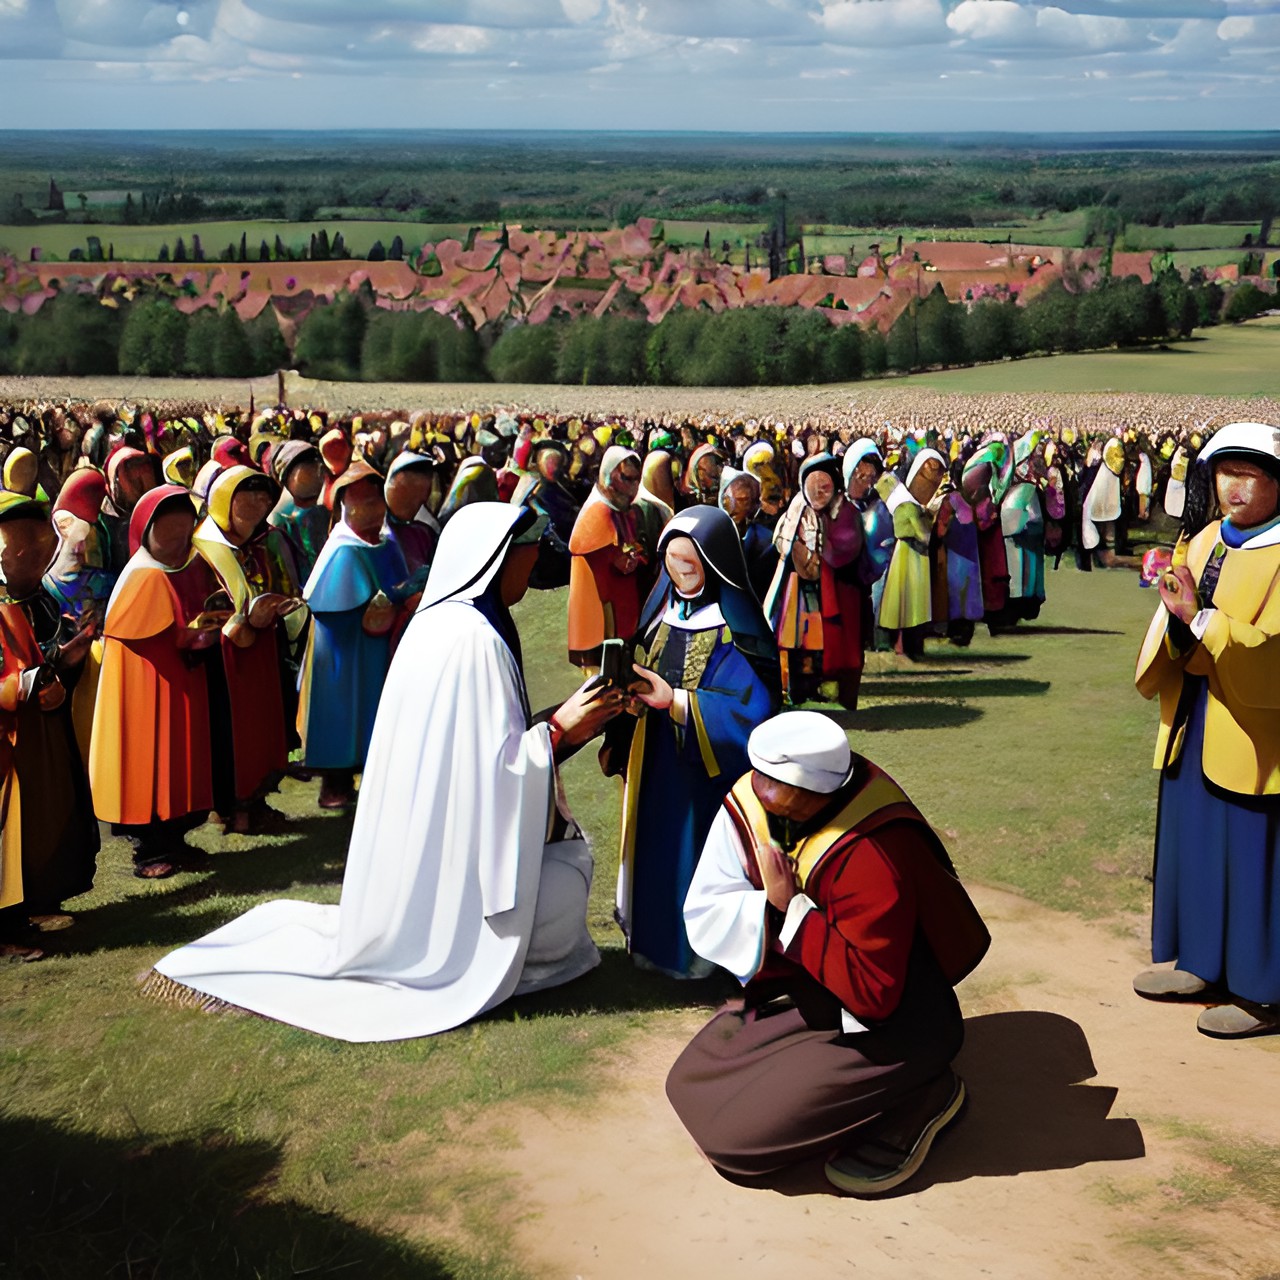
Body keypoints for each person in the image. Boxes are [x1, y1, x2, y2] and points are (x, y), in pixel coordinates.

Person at [150, 503, 622, 1041]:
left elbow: (476, 759)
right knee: (562, 892)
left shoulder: (443, 620)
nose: (536, 560)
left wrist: (568, 721)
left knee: (560, 887)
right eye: (529, 550)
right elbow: (496, 774)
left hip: (426, 853)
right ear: (501, 557)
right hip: (454, 879)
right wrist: (565, 728)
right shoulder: (472, 638)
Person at [667, 711, 989, 1194]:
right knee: (689, 1082)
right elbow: (711, 902)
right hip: (816, 991)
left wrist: (787, 907)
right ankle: (849, 1092)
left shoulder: (873, 851)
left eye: (772, 784)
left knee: (734, 1140)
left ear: (813, 792)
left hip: (895, 1025)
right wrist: (768, 909)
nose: (757, 791)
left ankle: (923, 1094)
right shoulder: (759, 798)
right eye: (758, 775)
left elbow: (873, 994)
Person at [1134, 421, 1280, 1039]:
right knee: (1194, 846)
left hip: (1253, 735)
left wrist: (1202, 619)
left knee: (1252, 860)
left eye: (1248, 473)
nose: (1232, 486)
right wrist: (1175, 613)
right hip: (1193, 720)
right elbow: (1176, 620)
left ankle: (1262, 992)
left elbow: (1272, 656)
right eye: (1223, 471)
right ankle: (1199, 963)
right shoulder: (1199, 541)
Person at [609, 506, 780, 977]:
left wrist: (679, 702)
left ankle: (698, 957)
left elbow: (753, 709)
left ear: (715, 563)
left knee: (696, 852)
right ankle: (653, 942)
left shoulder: (735, 626)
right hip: (655, 758)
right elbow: (648, 663)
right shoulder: (662, 614)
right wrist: (632, 699)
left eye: (691, 563)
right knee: (655, 850)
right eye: (673, 562)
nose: (680, 573)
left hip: (706, 773)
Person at [90, 485, 221, 878]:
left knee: (183, 762)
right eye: (169, 532)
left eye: (184, 533)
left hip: (183, 687)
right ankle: (151, 849)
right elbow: (144, 634)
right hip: (146, 694)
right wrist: (188, 636)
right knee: (149, 764)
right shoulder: (141, 577)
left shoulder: (192, 567)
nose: (178, 541)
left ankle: (175, 839)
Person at [0, 492, 99, 953]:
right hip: (9, 743)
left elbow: (40, 660)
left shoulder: (39, 599)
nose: (31, 552)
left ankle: (30, 903)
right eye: (21, 546)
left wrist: (64, 665)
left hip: (36, 738)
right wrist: (25, 687)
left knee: (38, 822)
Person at [298, 461, 415, 810]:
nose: (370, 513)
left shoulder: (385, 544)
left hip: (380, 647)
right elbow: (327, 602)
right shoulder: (342, 550)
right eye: (361, 505)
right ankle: (335, 783)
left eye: (375, 503)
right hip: (344, 652)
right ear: (344, 509)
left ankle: (377, 776)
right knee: (343, 711)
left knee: (375, 710)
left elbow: (398, 583)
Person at [192, 465, 303, 833]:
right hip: (222, 658)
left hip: (261, 652)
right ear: (224, 500)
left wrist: (280, 607)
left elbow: (286, 588)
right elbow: (198, 603)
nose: (258, 504)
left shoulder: (264, 541)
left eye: (263, 497)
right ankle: (231, 806)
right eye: (247, 496)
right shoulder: (204, 547)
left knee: (263, 728)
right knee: (229, 732)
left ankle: (257, 800)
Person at [765, 454, 866, 706]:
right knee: (798, 639)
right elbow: (780, 538)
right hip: (799, 588)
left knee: (822, 640)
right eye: (813, 485)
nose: (819, 492)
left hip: (831, 588)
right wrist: (798, 551)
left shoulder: (843, 511)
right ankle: (798, 687)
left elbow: (848, 544)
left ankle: (818, 683)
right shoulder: (796, 511)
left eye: (825, 486)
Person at [567, 446, 649, 672]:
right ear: (608, 475)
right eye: (626, 479)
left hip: (622, 605)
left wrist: (636, 556)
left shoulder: (625, 511)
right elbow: (586, 548)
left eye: (636, 480)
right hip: (602, 608)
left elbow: (630, 545)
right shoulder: (597, 512)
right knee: (603, 671)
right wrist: (620, 559)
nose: (632, 488)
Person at [877, 449, 947, 659]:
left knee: (904, 605)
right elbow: (924, 535)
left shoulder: (904, 503)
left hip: (906, 555)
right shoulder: (909, 506)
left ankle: (901, 644)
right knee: (912, 605)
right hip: (911, 556)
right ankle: (908, 647)